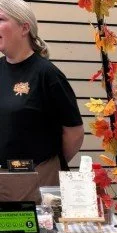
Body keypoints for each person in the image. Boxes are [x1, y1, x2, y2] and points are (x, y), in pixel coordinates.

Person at [0, 0, 84, 197]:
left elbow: (74, 133)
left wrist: (47, 166)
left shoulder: (47, 75)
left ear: (24, 28)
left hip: (35, 180)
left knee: (34, 229)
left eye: (1, 19)